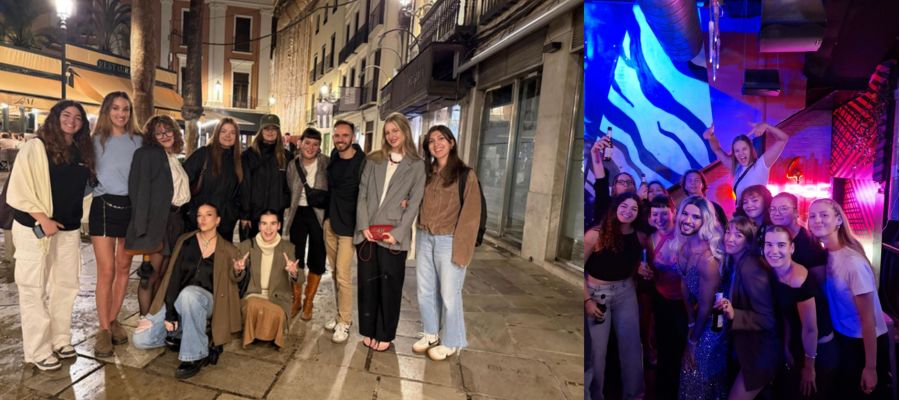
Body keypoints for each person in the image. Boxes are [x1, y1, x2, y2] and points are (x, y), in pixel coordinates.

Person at [8, 100, 95, 371]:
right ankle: (37, 350)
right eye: (66, 115)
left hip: (67, 229)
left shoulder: (81, 151)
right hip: (34, 228)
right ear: (55, 117)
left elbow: (83, 191)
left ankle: (60, 339)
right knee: (33, 287)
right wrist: (42, 219)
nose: (72, 120)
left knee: (66, 285)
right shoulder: (36, 147)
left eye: (78, 117)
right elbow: (19, 187)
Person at [132, 203, 242, 379]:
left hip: (208, 302)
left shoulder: (229, 250)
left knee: (190, 294)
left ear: (218, 220)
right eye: (199, 215)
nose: (203, 219)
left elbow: (235, 282)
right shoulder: (185, 241)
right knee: (141, 339)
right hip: (178, 299)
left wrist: (237, 271)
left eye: (208, 215)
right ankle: (185, 334)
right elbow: (173, 277)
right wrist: (169, 313)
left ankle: (195, 354)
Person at [355, 112, 426, 352]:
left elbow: (414, 203)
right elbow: (362, 194)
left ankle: (384, 333)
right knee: (368, 284)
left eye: (396, 130)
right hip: (368, 233)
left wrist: (398, 232)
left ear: (405, 131)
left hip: (394, 236)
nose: (391, 136)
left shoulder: (417, 165)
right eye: (387, 132)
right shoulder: (374, 160)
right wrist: (363, 226)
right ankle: (368, 330)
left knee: (390, 285)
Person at [808, 198, 890, 398]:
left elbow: (868, 320)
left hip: (863, 344)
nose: (817, 220)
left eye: (824, 215)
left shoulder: (852, 262)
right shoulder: (827, 255)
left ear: (838, 220)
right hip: (843, 338)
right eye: (812, 216)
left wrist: (870, 367)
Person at [414, 125, 482, 361]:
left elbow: (471, 215)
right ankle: (431, 333)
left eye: (441, 139)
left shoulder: (465, 174)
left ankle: (452, 341)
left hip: (449, 240)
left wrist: (462, 251)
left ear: (452, 142)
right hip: (424, 237)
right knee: (425, 290)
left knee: (450, 294)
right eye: (431, 141)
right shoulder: (427, 173)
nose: (437, 144)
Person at [89, 92, 142, 357]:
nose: (121, 114)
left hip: (131, 207)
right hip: (103, 207)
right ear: (106, 111)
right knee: (106, 270)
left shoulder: (139, 141)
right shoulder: (93, 141)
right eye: (115, 108)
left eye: (126, 109)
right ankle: (103, 330)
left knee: (123, 268)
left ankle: (112, 319)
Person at [584, 192, 648, 399]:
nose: (628, 211)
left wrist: (640, 268)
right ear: (615, 207)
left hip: (625, 292)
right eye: (624, 206)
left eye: (634, 208)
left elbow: (632, 261)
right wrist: (587, 300)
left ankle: (635, 395)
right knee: (596, 353)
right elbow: (579, 269)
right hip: (597, 294)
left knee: (632, 347)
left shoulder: (639, 236)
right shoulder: (595, 234)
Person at [126, 115, 190, 317]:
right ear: (152, 137)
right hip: (157, 222)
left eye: (168, 130)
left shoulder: (173, 157)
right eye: (159, 133)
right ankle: (145, 321)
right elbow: (139, 191)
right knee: (149, 276)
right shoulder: (146, 154)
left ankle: (154, 319)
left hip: (175, 221)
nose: (165, 135)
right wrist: (142, 228)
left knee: (163, 276)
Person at [763, 225, 838, 400]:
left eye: (781, 245)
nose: (774, 251)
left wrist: (809, 366)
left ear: (792, 248)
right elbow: (787, 314)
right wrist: (787, 345)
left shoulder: (798, 278)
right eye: (769, 244)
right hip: (800, 346)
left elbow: (810, 329)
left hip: (820, 350)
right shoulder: (775, 273)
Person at [714, 216, 779, 399]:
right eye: (728, 232)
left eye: (738, 235)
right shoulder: (735, 262)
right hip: (746, 348)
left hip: (760, 352)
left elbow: (768, 319)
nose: (730, 238)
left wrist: (735, 314)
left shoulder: (752, 268)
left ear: (748, 241)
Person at [673, 196, 727, 400]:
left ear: (706, 222)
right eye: (685, 214)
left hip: (715, 320)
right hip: (698, 317)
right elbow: (684, 286)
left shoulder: (708, 260)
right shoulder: (683, 247)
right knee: (688, 370)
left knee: (695, 368)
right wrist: (690, 322)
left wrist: (693, 342)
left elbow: (706, 306)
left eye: (696, 217)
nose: (688, 220)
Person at [322, 120, 366, 343]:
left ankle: (345, 322)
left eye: (345, 135)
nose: (340, 139)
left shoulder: (362, 162)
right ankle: (339, 315)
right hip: (330, 222)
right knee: (333, 273)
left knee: (343, 275)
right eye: (337, 135)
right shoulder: (334, 157)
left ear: (353, 137)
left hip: (349, 226)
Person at [640, 195, 686, 399]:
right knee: (664, 347)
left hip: (685, 303)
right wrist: (645, 271)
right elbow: (651, 271)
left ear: (673, 212)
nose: (659, 219)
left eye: (664, 213)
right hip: (662, 300)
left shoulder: (684, 235)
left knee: (682, 349)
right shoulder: (650, 239)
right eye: (654, 214)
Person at [234, 210, 299, 349]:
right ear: (259, 226)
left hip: (277, 298)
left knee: (276, 312)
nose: (268, 229)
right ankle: (255, 334)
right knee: (252, 305)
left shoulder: (288, 248)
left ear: (279, 226)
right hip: (253, 295)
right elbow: (235, 278)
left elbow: (300, 279)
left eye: (273, 223)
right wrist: (238, 269)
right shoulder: (246, 246)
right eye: (264, 223)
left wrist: (294, 272)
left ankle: (265, 333)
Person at [285, 127, 329, 320]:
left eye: (315, 144)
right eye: (307, 143)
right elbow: (289, 187)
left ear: (319, 147)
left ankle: (309, 300)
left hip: (319, 214)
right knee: (296, 257)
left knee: (318, 256)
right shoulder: (292, 165)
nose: (311, 147)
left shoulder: (326, 163)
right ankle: (296, 298)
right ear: (300, 143)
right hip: (298, 213)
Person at [182, 118, 243, 239]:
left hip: (225, 224)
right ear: (217, 133)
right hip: (199, 221)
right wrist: (192, 211)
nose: (228, 135)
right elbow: (183, 182)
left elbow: (240, 192)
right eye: (223, 131)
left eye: (232, 132)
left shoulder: (238, 161)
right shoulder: (203, 154)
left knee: (221, 251)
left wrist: (232, 214)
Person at [703, 122, 789, 200]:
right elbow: (717, 150)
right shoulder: (736, 168)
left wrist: (767, 126)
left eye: (744, 149)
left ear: (750, 149)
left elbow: (783, 139)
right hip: (741, 212)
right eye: (737, 151)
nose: (741, 153)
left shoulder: (762, 164)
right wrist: (711, 136)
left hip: (759, 212)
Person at [239, 114, 291, 240]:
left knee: (272, 249)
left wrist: (283, 202)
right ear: (261, 130)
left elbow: (289, 184)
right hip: (253, 214)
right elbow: (244, 185)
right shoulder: (249, 155)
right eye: (267, 128)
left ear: (278, 131)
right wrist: (245, 214)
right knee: (251, 249)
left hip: (275, 215)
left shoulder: (286, 156)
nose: (270, 132)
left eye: (274, 129)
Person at [768, 192, 828, 282]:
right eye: (773, 209)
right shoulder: (770, 235)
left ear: (796, 212)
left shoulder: (810, 242)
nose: (776, 213)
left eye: (783, 208)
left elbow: (819, 279)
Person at [734, 184, 773, 253]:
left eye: (754, 200)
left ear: (766, 201)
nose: (749, 205)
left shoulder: (772, 228)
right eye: (745, 202)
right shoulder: (742, 226)